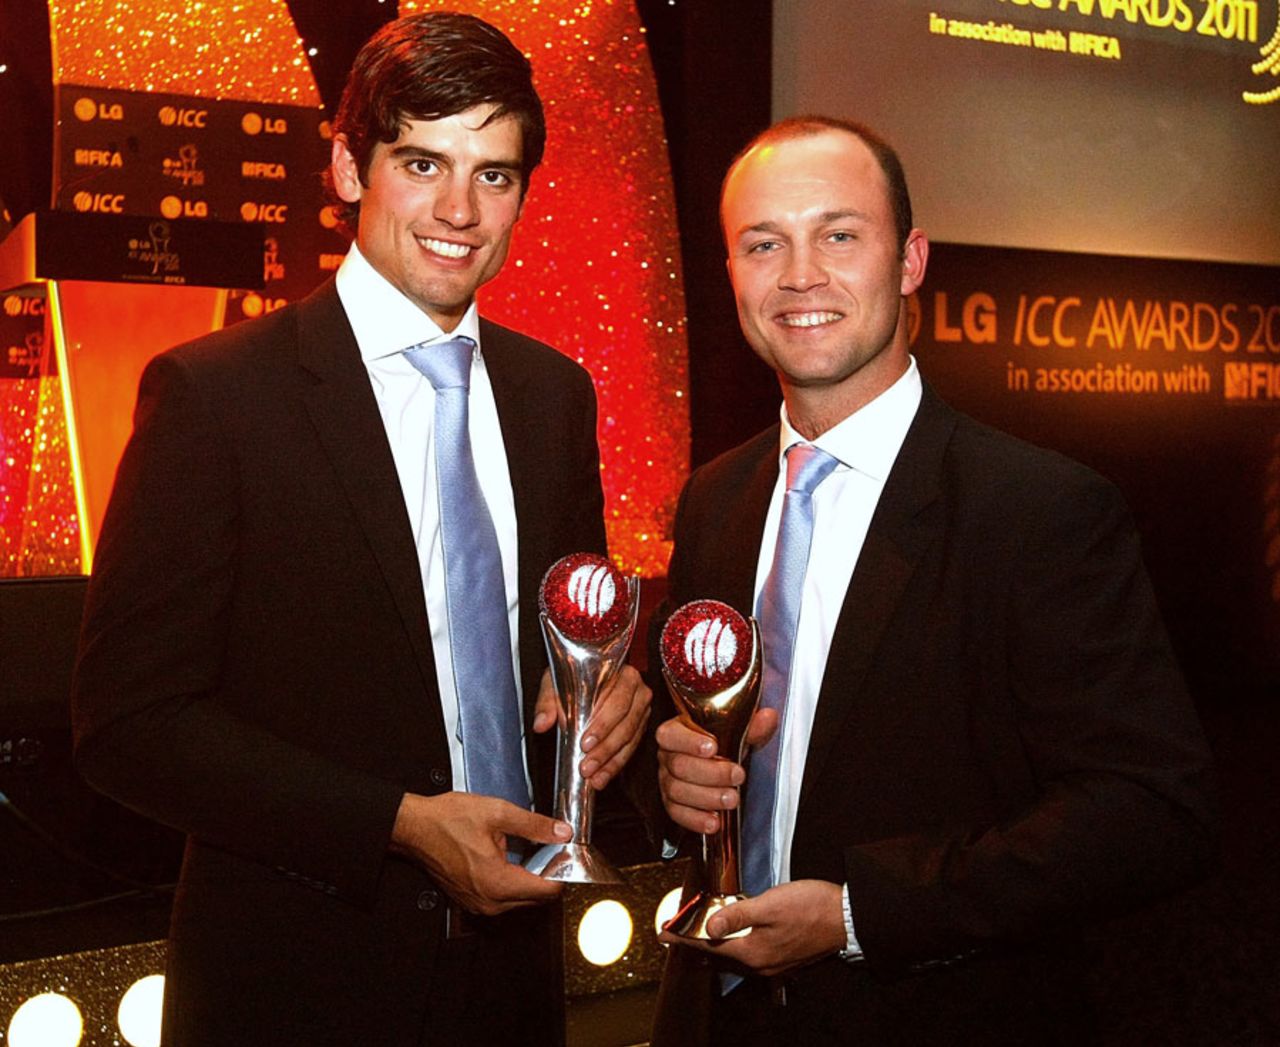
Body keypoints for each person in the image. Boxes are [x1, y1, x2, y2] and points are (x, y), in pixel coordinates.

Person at [71, 13, 650, 1046]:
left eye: (495, 174)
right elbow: (129, 725)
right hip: (298, 982)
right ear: (347, 166)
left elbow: (566, 639)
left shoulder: (552, 396)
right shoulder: (218, 396)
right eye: (422, 161)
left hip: (514, 985)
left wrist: (607, 695)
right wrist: (400, 827)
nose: (459, 209)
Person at [649, 115, 1217, 1045]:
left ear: (910, 260)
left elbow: (1155, 813)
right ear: (731, 276)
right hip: (718, 1016)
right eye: (765, 243)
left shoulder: (1039, 510)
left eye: (839, 234)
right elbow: (693, 741)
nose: (800, 274)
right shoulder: (714, 497)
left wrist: (858, 916)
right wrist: (670, 776)